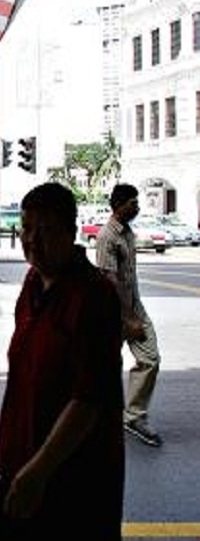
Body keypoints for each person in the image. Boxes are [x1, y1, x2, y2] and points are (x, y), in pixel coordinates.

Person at [0, 183, 124, 540]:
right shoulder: (32, 284)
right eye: (27, 228)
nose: (32, 239)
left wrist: (39, 471)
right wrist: (22, 468)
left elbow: (88, 400)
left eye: (45, 230)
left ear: (70, 233)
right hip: (23, 464)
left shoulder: (94, 296)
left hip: (73, 475)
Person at [94, 183, 163, 447]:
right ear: (119, 205)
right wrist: (128, 318)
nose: (137, 207)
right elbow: (109, 280)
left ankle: (133, 415)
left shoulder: (128, 232)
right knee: (101, 367)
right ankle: (87, 415)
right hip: (115, 312)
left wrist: (135, 313)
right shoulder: (106, 236)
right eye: (133, 203)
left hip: (135, 306)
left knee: (150, 358)